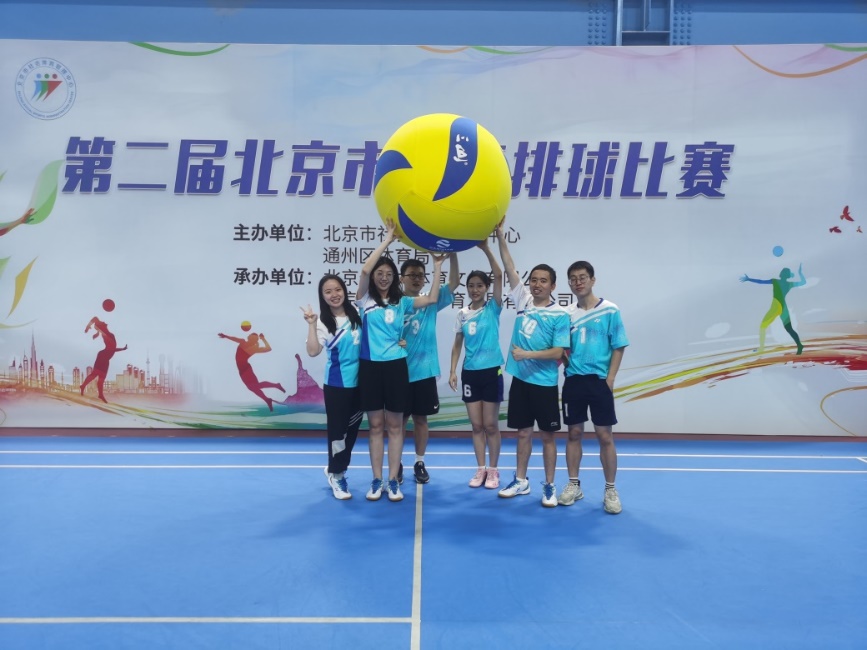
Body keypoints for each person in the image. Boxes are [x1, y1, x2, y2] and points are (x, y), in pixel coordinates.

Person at [355, 219, 445, 503]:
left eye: (388, 274)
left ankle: (393, 480)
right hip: (370, 368)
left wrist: (437, 265)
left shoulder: (402, 302)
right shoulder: (365, 300)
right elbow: (364, 270)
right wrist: (388, 240)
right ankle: (377, 479)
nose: (383, 277)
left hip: (396, 368)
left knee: (396, 427)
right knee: (376, 427)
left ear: (395, 278)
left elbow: (432, 298)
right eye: (380, 273)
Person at [495, 220, 570, 507]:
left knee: (547, 437)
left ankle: (549, 486)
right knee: (523, 433)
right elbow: (509, 266)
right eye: (534, 280)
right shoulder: (523, 301)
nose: (537, 284)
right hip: (521, 383)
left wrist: (527, 355)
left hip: (545, 384)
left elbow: (558, 352)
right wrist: (500, 235)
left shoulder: (560, 314)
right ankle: (521, 480)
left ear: (552, 286)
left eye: (543, 281)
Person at [557, 261, 629, 515]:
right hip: (573, 382)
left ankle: (610, 489)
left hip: (599, 382)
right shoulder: (566, 314)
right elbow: (561, 349)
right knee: (574, 434)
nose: (578, 282)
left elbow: (619, 345)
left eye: (582, 277)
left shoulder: (610, 310)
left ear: (592, 280)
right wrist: (568, 365)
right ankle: (574, 485)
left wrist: (610, 379)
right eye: (573, 279)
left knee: (604, 436)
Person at [301, 274, 364, 501]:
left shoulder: (358, 315)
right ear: (323, 297)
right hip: (337, 385)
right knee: (338, 433)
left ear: (344, 290)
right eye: (328, 292)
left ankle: (335, 467)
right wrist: (311, 325)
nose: (334, 295)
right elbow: (312, 351)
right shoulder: (322, 323)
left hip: (361, 383)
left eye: (337, 289)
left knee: (352, 432)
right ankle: (337, 475)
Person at [448, 237, 504, 489]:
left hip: (491, 372)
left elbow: (500, 275)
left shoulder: (493, 308)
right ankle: (480, 469)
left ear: (487, 288)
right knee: (477, 425)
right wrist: (453, 370)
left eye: (480, 285)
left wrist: (487, 249)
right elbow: (457, 344)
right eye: (471, 286)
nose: (475, 290)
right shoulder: (462, 314)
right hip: (470, 374)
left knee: (491, 425)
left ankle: (493, 470)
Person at [400, 252, 459, 484]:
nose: (416, 279)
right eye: (411, 275)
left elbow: (454, 282)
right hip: (399, 372)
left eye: (420, 275)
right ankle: (396, 462)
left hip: (424, 371)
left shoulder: (430, 301)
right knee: (398, 422)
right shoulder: (395, 305)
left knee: (421, 419)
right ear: (401, 279)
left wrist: (453, 254)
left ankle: (419, 461)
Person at [740, 264, 807, 355]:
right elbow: (803, 282)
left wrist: (749, 279)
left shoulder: (775, 281)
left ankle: (761, 349)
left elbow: (761, 282)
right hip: (783, 307)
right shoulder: (789, 284)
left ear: (782, 274)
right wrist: (800, 273)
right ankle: (799, 345)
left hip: (776, 307)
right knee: (789, 329)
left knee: (763, 326)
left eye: (783, 272)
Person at [217, 330, 285, 411]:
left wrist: (263, 339)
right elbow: (235, 339)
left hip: (246, 368)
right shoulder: (243, 342)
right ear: (249, 337)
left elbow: (268, 349)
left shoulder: (254, 348)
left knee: (254, 386)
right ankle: (267, 399)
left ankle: (275, 387)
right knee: (253, 387)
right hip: (242, 370)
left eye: (255, 340)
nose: (253, 341)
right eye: (252, 339)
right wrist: (225, 336)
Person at [80, 317, 127, 403]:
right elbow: (95, 318)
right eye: (102, 322)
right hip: (103, 357)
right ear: (101, 327)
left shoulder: (109, 334)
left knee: (101, 377)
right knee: (95, 374)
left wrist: (122, 349)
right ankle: (84, 387)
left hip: (106, 358)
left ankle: (99, 394)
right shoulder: (105, 333)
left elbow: (112, 349)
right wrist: (88, 327)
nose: (104, 321)